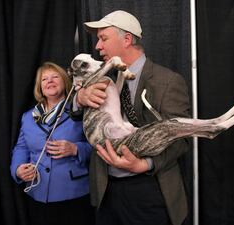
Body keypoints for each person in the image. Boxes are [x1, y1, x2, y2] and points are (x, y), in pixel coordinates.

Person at [75, 10, 191, 225]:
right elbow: (73, 112)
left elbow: (181, 140)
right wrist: (80, 98)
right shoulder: (101, 76)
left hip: (150, 190)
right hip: (106, 191)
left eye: (103, 38)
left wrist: (144, 164)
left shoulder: (168, 80)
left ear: (127, 39)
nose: (97, 47)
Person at [10, 62, 94, 225]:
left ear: (65, 81)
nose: (50, 81)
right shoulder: (28, 117)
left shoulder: (81, 112)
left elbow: (99, 147)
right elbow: (21, 148)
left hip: (74, 195)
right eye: (44, 79)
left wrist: (76, 149)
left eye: (55, 77)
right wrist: (18, 169)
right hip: (38, 193)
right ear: (39, 87)